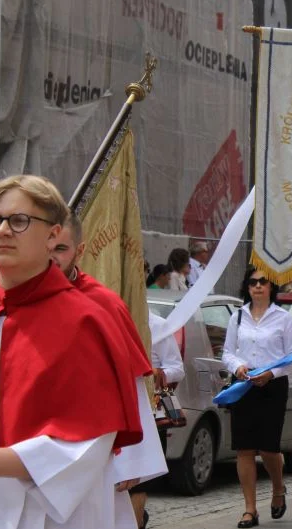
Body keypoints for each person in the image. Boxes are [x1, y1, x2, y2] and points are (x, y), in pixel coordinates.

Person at [0, 174, 143, 528]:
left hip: (58, 514)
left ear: (53, 235)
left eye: (19, 220)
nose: (3, 231)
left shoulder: (86, 321)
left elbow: (88, 445)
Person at [50, 213, 167, 528]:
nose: (51, 257)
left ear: (80, 249)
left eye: (60, 248)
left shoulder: (104, 304)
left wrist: (130, 460)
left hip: (92, 448)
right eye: (46, 246)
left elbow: (129, 380)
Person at [222, 269, 292, 527]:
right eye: (252, 282)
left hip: (272, 386)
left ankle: (278, 488)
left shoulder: (283, 318)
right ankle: (250, 509)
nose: (257, 286)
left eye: (262, 282)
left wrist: (271, 373)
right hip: (244, 386)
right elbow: (227, 353)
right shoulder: (238, 317)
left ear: (271, 287)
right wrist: (238, 367)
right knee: (244, 448)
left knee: (268, 447)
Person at [131, 311, 185, 529]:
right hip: (115, 406)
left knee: (141, 475)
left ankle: (136, 521)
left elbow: (177, 369)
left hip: (149, 408)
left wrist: (155, 372)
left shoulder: (158, 325)